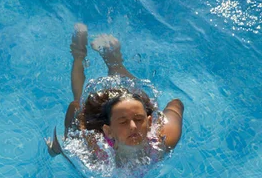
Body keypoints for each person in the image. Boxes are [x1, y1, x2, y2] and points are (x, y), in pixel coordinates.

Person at [45, 23, 184, 166]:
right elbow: (74, 108)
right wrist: (61, 144)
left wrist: (160, 117)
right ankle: (79, 54)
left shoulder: (165, 140)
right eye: (123, 122)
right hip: (98, 120)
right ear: (108, 130)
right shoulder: (95, 150)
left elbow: (176, 104)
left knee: (139, 97)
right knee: (79, 101)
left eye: (139, 119)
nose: (133, 127)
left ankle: (114, 62)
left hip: (134, 116)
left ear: (149, 123)